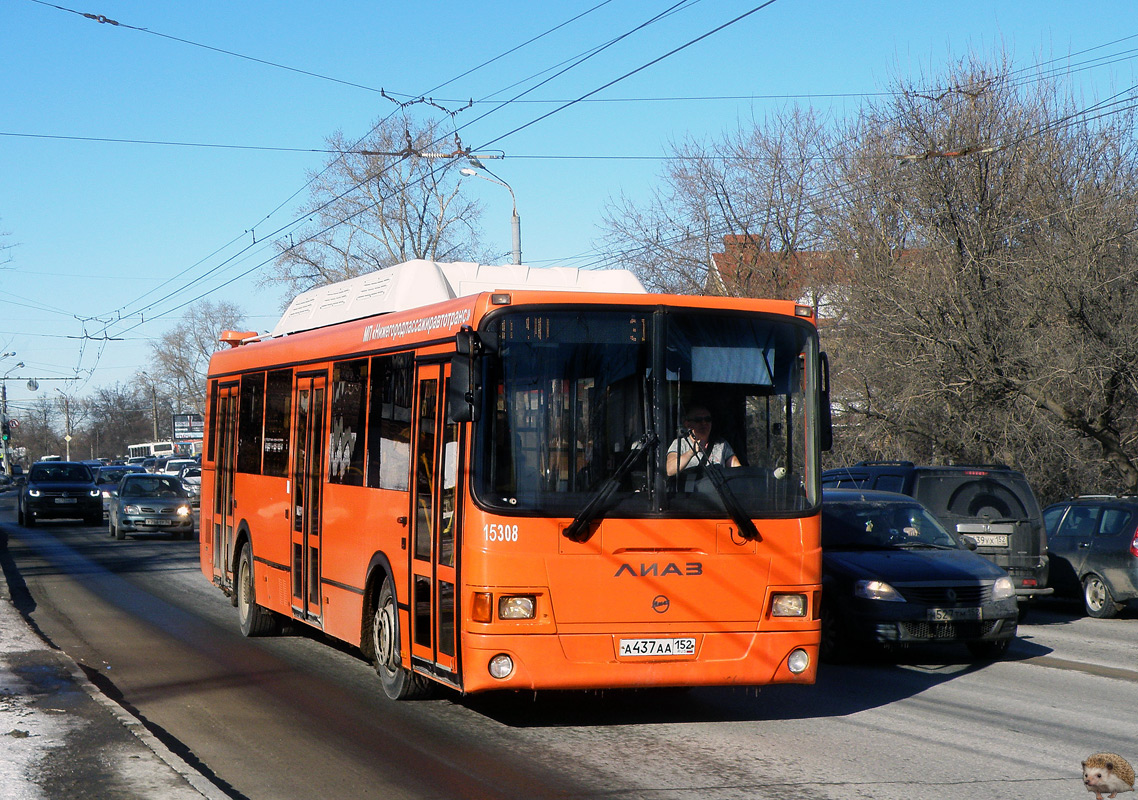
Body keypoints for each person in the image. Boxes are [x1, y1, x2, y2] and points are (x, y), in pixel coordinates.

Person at [666, 406, 741, 476]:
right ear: (687, 424)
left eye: (707, 419)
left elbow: (737, 471)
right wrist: (691, 452)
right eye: (698, 420)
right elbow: (670, 470)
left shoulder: (722, 444)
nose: (704, 423)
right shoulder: (680, 444)